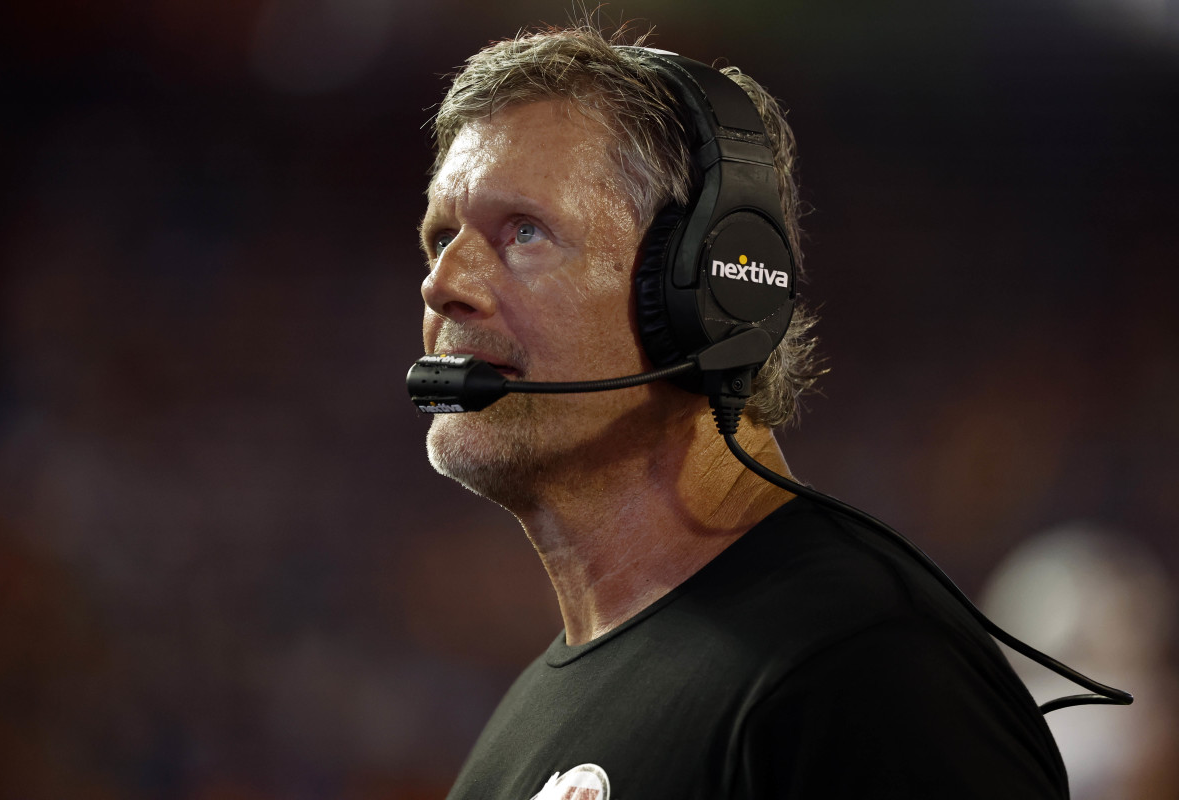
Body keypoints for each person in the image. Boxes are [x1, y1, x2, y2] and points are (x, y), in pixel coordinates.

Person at [414, 22, 1069, 800]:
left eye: (523, 232)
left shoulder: (861, 666)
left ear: (707, 294)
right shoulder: (519, 727)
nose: (441, 283)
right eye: (441, 237)